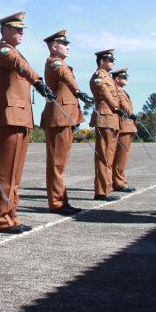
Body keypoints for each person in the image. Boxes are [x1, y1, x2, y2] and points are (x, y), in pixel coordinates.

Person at [0, 12, 55, 234]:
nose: (21, 32)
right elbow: (17, 64)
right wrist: (38, 81)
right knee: (6, 173)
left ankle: (11, 216)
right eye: (17, 29)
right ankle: (2, 219)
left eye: (22, 29)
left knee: (15, 174)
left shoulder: (14, 50)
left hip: (20, 117)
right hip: (8, 118)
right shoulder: (2, 49)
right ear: (5, 29)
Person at [38, 30, 88, 215]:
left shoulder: (61, 63)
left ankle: (61, 200)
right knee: (56, 164)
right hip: (59, 118)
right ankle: (57, 203)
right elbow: (64, 75)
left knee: (60, 164)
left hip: (66, 117)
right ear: (54, 47)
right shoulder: (54, 62)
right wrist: (79, 91)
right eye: (64, 44)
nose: (68, 47)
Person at [88, 49, 122, 202]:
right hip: (105, 118)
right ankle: (102, 191)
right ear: (102, 61)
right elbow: (105, 93)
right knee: (103, 157)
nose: (113, 62)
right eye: (110, 60)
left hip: (112, 119)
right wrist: (117, 107)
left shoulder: (109, 77)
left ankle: (106, 188)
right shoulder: (98, 76)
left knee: (109, 156)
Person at [111, 68, 139, 192]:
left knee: (123, 156)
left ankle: (120, 181)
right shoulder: (118, 91)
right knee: (120, 156)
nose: (126, 79)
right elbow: (124, 106)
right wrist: (132, 114)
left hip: (128, 126)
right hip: (123, 126)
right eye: (124, 77)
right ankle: (119, 183)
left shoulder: (122, 91)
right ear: (117, 79)